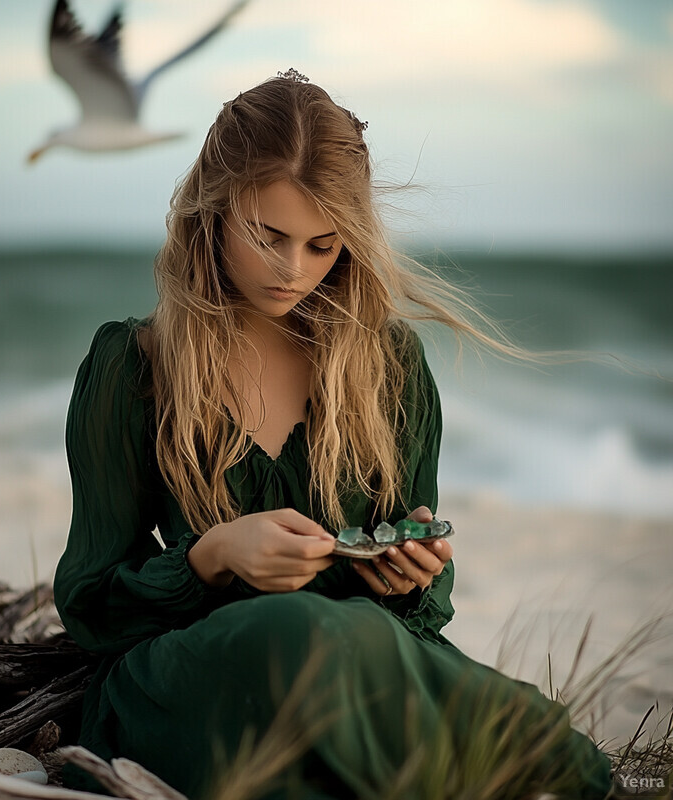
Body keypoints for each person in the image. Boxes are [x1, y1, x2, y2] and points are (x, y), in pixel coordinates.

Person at [54, 70, 614, 799]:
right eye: (269, 236)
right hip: (191, 675)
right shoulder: (135, 366)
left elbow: (424, 602)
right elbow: (92, 604)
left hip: (362, 654)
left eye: (323, 245)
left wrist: (410, 570)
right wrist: (213, 557)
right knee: (301, 635)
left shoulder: (389, 368)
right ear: (213, 212)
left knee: (540, 738)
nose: (295, 270)